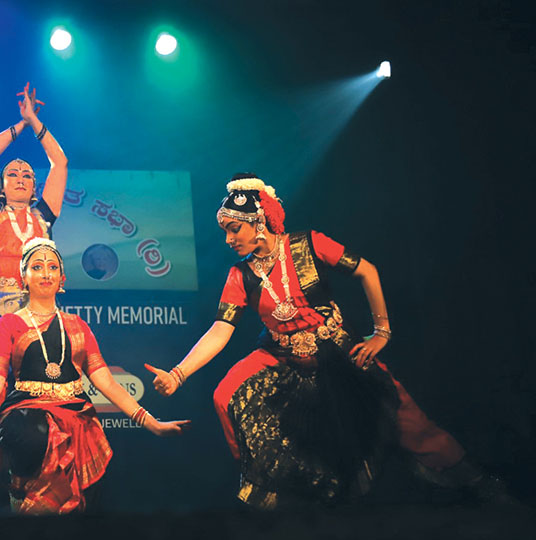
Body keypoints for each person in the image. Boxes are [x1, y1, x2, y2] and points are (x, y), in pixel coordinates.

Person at [146, 173, 498, 509]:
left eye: (234, 229)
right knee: (225, 396)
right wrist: (178, 374)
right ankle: (276, 492)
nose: (228, 239)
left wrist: (381, 333)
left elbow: (366, 270)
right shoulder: (240, 274)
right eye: (225, 231)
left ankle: (482, 487)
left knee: (404, 417)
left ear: (258, 221)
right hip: (279, 355)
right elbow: (221, 329)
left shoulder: (309, 243)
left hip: (336, 350)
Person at [0, 238, 188, 514]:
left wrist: (152, 423)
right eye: (37, 267)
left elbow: (105, 381)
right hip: (28, 419)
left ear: (62, 278)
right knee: (35, 436)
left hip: (77, 421)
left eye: (52, 267)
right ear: (24, 278)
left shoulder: (77, 326)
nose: (46, 273)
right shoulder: (10, 324)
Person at [0, 82, 68, 365]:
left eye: (27, 176)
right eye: (12, 174)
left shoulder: (43, 216)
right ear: (1, 187)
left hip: (40, 305)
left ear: (34, 189)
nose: (20, 179)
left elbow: (59, 163)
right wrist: (21, 125)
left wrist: (35, 121)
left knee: (43, 378)